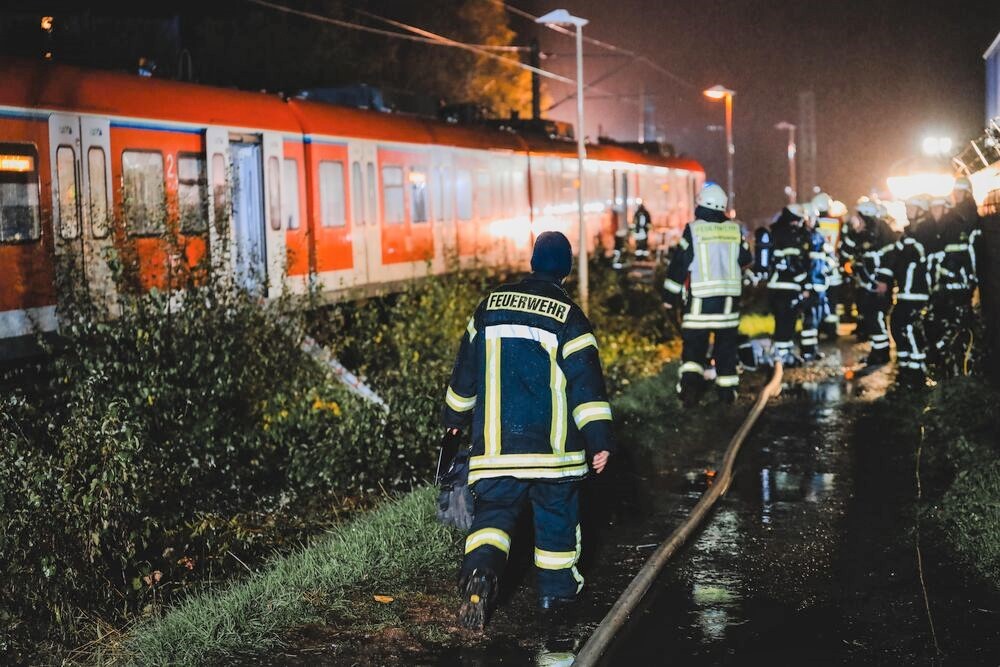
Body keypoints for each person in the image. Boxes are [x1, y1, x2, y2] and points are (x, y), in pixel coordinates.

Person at [442, 231, 614, 630]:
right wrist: (600, 440)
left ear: (532, 261)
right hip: (552, 458)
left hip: (496, 452)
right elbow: (586, 388)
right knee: (556, 523)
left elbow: (464, 376)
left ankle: (480, 574)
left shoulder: (488, 307)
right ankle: (556, 600)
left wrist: (453, 422)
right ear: (566, 270)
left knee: (493, 519)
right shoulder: (569, 317)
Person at [663, 183, 753, 405]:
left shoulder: (693, 230)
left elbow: (679, 265)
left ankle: (690, 394)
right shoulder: (734, 230)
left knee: (693, 351)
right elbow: (745, 259)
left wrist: (669, 298)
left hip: (699, 305)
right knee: (726, 350)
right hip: (728, 305)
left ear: (701, 204)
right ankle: (727, 394)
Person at [875, 194, 937, 387]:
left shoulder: (927, 231)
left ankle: (918, 373)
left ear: (921, 210)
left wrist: (906, 256)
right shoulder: (910, 233)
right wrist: (884, 279)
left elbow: (917, 257)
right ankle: (906, 368)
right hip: (906, 290)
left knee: (909, 327)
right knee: (897, 325)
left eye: (911, 208)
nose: (907, 211)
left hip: (918, 290)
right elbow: (894, 257)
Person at [925, 178, 980, 375]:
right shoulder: (945, 227)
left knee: (956, 330)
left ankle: (957, 372)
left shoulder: (961, 223)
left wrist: (968, 281)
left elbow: (968, 256)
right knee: (943, 327)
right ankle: (947, 369)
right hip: (947, 288)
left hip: (958, 288)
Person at [851, 200, 897, 366]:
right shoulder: (872, 232)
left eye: (860, 217)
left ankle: (881, 353)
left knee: (875, 317)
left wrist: (883, 281)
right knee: (872, 318)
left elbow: (889, 258)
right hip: (870, 284)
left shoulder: (882, 233)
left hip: (878, 285)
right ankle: (877, 351)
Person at [766, 204, 811, 366]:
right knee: (787, 322)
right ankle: (783, 356)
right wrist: (804, 284)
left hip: (776, 286)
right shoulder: (790, 236)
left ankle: (783, 354)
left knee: (782, 321)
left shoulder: (776, 232)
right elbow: (793, 264)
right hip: (787, 287)